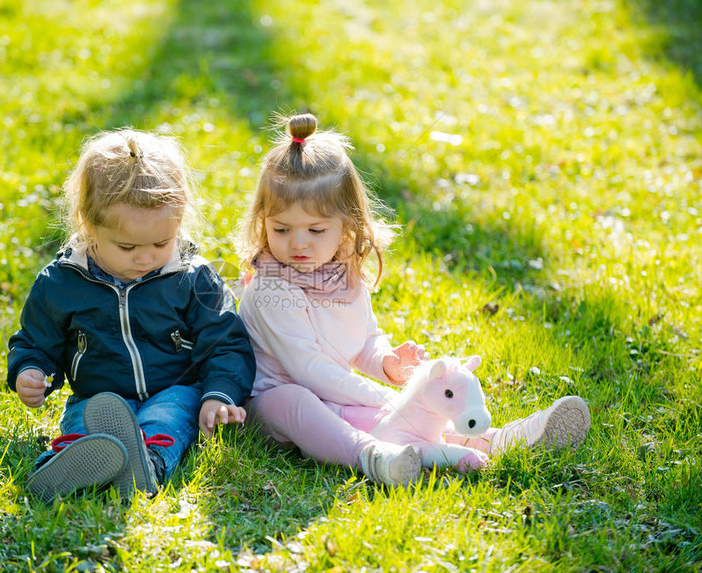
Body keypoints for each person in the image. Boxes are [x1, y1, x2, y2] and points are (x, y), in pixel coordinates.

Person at [237, 113, 590, 486]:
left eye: (315, 229)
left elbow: (363, 341)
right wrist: (389, 397)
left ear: (347, 226)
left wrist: (387, 362)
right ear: (263, 222)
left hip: (336, 397)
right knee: (296, 401)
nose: (298, 243)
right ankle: (372, 457)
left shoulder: (341, 274)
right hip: (271, 406)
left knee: (391, 419)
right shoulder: (271, 290)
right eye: (281, 229)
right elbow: (308, 370)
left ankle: (499, 439)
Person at [7, 128, 256, 501]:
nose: (145, 257)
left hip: (174, 388)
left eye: (161, 243)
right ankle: (63, 462)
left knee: (168, 419)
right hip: (100, 394)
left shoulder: (192, 277)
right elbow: (36, 341)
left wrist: (219, 394)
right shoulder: (62, 282)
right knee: (87, 419)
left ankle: (149, 463)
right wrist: (31, 370)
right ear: (89, 226)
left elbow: (225, 341)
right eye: (127, 247)